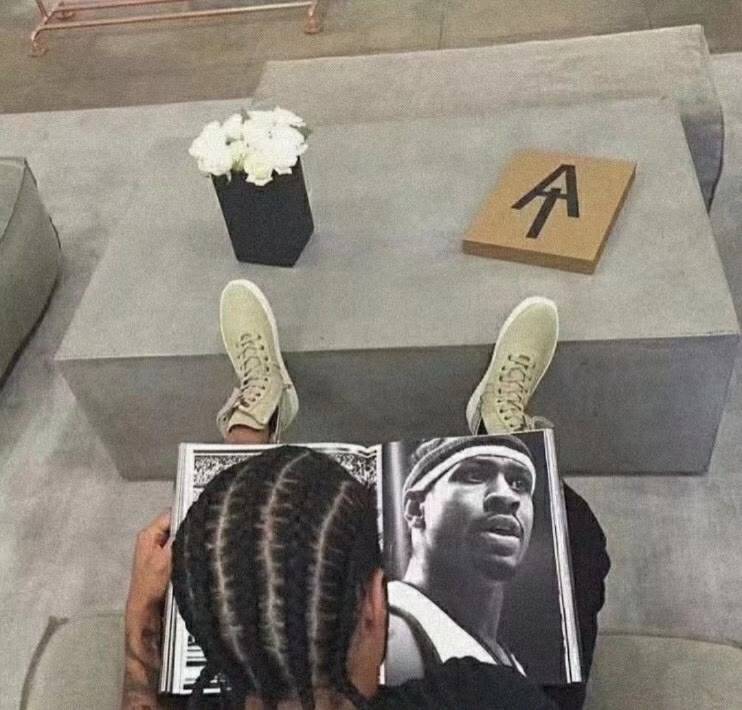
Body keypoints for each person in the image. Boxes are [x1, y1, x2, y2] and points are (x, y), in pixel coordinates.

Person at [121, 279, 609, 709]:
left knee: (249, 523)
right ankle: (501, 432)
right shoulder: (482, 694)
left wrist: (141, 622)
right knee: (576, 536)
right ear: (378, 605)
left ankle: (252, 427)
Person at [386, 434, 540, 682]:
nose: (507, 496)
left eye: (519, 483)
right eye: (474, 475)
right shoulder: (393, 629)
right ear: (415, 509)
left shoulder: (505, 657)